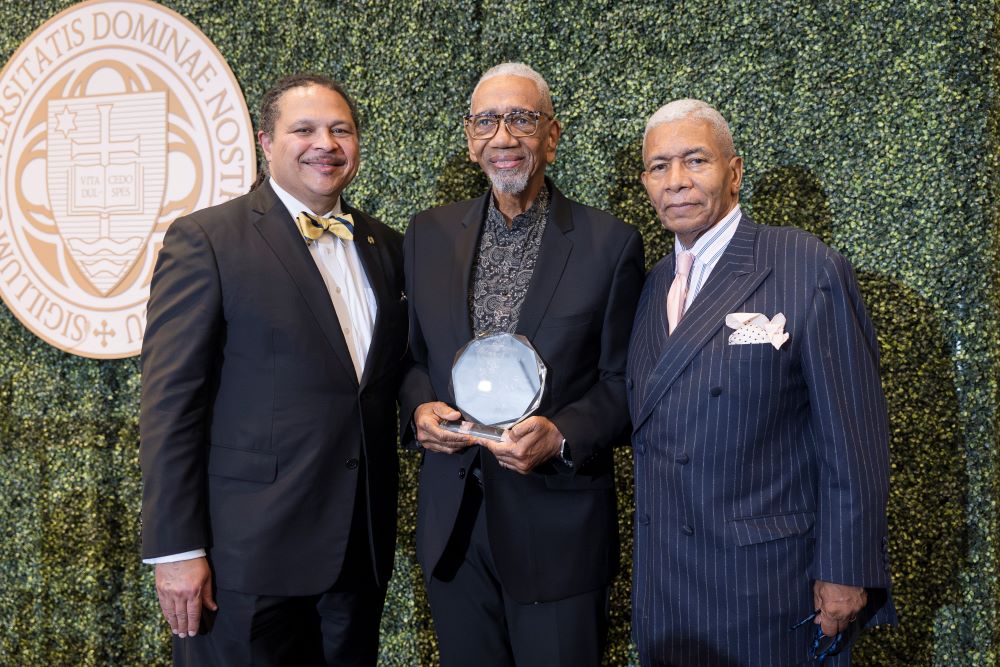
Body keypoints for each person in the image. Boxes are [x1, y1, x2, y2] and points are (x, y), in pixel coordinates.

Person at [139, 74, 406, 666]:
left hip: (356, 554)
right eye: (304, 129)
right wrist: (176, 548)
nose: (326, 144)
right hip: (245, 560)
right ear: (265, 142)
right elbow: (171, 403)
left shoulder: (386, 247)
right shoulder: (207, 240)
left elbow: (387, 381)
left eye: (341, 129)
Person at [627, 99, 896, 665]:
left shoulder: (805, 267)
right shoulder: (652, 286)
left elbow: (854, 441)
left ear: (735, 171)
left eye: (695, 160)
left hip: (767, 588)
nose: (676, 181)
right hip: (666, 590)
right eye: (659, 166)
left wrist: (847, 572)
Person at [399, 62, 644, 666]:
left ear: (552, 137)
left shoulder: (610, 244)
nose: (503, 137)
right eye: (487, 121)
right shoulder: (426, 235)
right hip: (453, 527)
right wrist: (419, 408)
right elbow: (409, 361)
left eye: (522, 119)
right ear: (469, 137)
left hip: (556, 527)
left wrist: (562, 435)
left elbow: (624, 382)